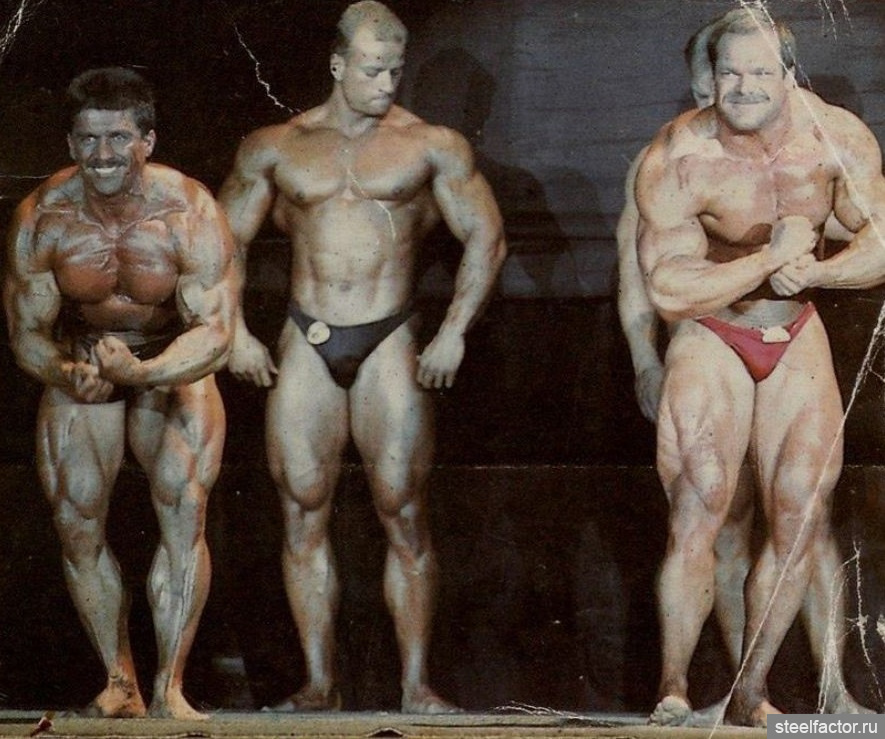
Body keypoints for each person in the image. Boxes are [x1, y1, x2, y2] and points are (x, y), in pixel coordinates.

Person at [218, 1, 506, 713]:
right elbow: (220, 244)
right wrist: (234, 332)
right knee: (301, 510)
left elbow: (487, 237)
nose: (385, 83)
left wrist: (454, 330)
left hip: (389, 336)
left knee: (402, 509)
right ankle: (319, 682)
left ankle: (415, 685)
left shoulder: (430, 145)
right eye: (372, 69)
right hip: (305, 335)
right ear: (337, 64)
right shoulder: (276, 146)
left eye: (395, 70)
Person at [635, 8, 885, 726]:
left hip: (795, 326)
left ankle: (749, 689)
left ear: (788, 73)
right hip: (711, 330)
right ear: (710, 78)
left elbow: (880, 239)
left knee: (802, 507)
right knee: (702, 498)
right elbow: (667, 288)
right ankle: (673, 686)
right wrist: (766, 260)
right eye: (730, 73)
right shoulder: (679, 154)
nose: (744, 87)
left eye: (761, 72)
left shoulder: (835, 137)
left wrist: (820, 272)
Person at [4, 67, 236, 720]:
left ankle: (171, 685)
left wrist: (143, 373)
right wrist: (63, 370)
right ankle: (119, 678)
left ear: (147, 141)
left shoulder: (190, 212)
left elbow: (216, 334)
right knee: (76, 516)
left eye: (117, 138)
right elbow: (26, 334)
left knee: (183, 505)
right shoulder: (43, 217)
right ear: (70, 143)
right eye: (87, 139)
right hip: (85, 357)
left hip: (170, 358)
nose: (101, 155)